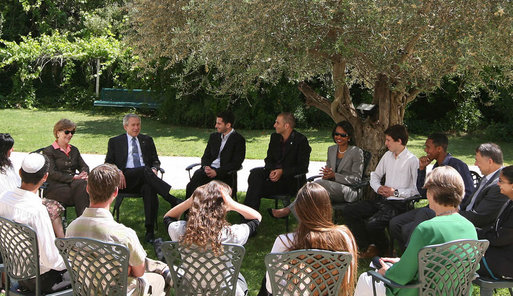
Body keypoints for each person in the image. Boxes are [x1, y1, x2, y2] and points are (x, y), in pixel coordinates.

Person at [354, 166, 478, 296]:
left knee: (366, 278)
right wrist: (403, 261)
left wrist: (386, 271)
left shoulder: (426, 228)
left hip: (420, 291)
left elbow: (401, 276)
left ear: (432, 193)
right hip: (454, 291)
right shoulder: (469, 227)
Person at [66, 164, 169, 295]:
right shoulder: (124, 235)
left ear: (87, 188)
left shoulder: (71, 229)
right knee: (159, 280)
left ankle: (164, 269)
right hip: (120, 291)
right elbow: (139, 272)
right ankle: (166, 271)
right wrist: (129, 269)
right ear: (115, 192)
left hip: (88, 289)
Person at [164, 180, 262, 296]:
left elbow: (168, 217)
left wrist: (190, 201)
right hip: (225, 292)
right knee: (238, 276)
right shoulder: (232, 234)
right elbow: (256, 218)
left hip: (190, 291)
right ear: (224, 207)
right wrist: (232, 204)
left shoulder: (181, 231)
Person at [261, 183, 358, 296]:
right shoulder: (344, 237)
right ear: (327, 207)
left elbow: (272, 287)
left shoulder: (285, 241)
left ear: (298, 210)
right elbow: (346, 279)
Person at [341, 125, 419, 258]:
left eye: (389, 140)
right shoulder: (387, 156)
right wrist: (378, 187)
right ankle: (369, 246)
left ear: (399, 141)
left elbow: (416, 190)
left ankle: (385, 250)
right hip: (382, 201)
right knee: (349, 211)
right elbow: (375, 175)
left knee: (373, 223)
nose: (386, 143)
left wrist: (395, 192)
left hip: (399, 204)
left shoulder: (412, 161)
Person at [389, 133, 474, 250]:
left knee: (408, 228)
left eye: (428, 147)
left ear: (439, 149)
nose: (425, 150)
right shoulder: (435, 166)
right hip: (430, 208)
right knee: (395, 223)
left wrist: (454, 209)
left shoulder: (457, 165)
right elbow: (423, 193)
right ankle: (407, 253)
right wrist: (422, 169)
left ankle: (412, 255)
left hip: (446, 211)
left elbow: (468, 192)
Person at [0, 153, 71, 293]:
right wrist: (70, 260)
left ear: (20, 173)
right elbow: (51, 260)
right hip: (40, 280)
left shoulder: (4, 199)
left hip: (15, 272)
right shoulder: (37, 210)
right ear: (45, 177)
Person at [105, 113, 181, 243]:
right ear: (125, 127)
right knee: (144, 170)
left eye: (138, 124)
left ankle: (149, 231)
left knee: (149, 188)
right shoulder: (115, 141)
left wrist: (154, 169)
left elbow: (155, 161)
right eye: (133, 125)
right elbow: (108, 162)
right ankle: (171, 198)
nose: (136, 128)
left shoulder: (147, 140)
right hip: (126, 180)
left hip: (145, 178)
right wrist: (117, 171)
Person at [270, 121, 364, 219]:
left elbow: (356, 179)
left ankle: (288, 210)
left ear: (349, 137)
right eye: (336, 134)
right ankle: (306, 224)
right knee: (312, 194)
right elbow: (329, 170)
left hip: (349, 190)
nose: (339, 137)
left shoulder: (356, 152)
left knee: (315, 185)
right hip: (330, 187)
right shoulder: (331, 149)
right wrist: (327, 175)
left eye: (343, 135)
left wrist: (334, 176)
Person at [243, 112, 311, 212]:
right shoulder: (275, 137)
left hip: (290, 181)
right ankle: (250, 215)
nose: (274, 125)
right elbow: (268, 159)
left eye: (277, 123)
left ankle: (249, 216)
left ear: (286, 125)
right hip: (273, 177)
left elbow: (303, 167)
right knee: (255, 174)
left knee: (256, 186)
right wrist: (272, 171)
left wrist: (282, 171)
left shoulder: (301, 140)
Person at [1, 133, 65, 238]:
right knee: (52, 207)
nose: (12, 150)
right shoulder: (37, 212)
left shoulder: (9, 165)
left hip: (16, 198)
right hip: (17, 199)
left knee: (53, 205)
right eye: (10, 148)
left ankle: (62, 240)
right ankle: (62, 241)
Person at [185, 110, 246, 198]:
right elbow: (206, 156)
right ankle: (189, 211)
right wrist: (206, 167)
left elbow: (236, 163)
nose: (216, 126)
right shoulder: (214, 137)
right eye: (216, 123)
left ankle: (201, 210)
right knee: (194, 182)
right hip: (208, 171)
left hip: (224, 174)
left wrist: (217, 172)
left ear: (228, 125)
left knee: (206, 186)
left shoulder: (238, 140)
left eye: (219, 124)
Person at [43, 119, 89, 216]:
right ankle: (84, 220)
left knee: (83, 185)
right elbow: (51, 173)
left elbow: (84, 166)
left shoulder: (74, 150)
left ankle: (82, 221)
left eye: (72, 132)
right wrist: (73, 178)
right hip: (55, 187)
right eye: (67, 132)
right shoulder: (49, 151)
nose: (70, 135)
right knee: (85, 191)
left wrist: (83, 173)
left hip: (74, 185)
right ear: (58, 133)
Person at [458, 143, 508, 228]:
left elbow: (479, 217)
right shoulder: (487, 177)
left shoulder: (498, 185)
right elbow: (469, 204)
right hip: (466, 220)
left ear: (490, 162)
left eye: (477, 160)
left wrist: (452, 214)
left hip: (477, 231)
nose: (475, 164)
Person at [476, 165, 513, 280]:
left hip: (506, 264)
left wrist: (478, 237)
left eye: (501, 181)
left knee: (460, 262)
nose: (498, 184)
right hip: (501, 255)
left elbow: (501, 238)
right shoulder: (509, 202)